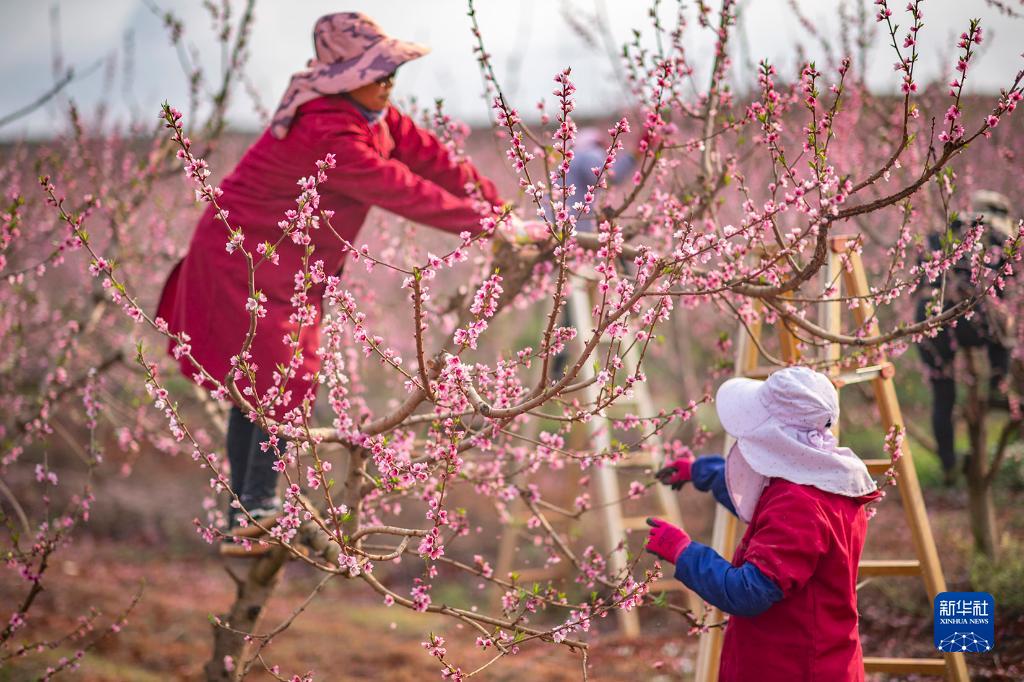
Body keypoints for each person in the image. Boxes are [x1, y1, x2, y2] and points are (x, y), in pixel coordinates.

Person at [156, 13, 507, 528]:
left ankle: (246, 513)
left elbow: (432, 158)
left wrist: (496, 207)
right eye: (377, 74)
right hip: (243, 259)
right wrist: (486, 223)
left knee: (266, 382)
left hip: (286, 264)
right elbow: (399, 187)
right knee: (276, 377)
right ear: (343, 78)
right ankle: (255, 508)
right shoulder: (326, 129)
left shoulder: (373, 116)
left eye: (391, 73)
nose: (388, 84)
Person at [648, 366, 881, 681]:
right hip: (822, 658)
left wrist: (683, 552)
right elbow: (769, 510)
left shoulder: (799, 505)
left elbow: (748, 591)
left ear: (777, 436)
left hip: (793, 667)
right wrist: (702, 472)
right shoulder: (828, 484)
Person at [914, 190, 1016, 484]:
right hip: (968, 317)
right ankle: (997, 385)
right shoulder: (997, 237)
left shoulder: (944, 233)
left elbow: (922, 272)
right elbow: (1001, 286)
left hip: (930, 319)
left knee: (942, 395)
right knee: (1002, 324)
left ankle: (948, 464)